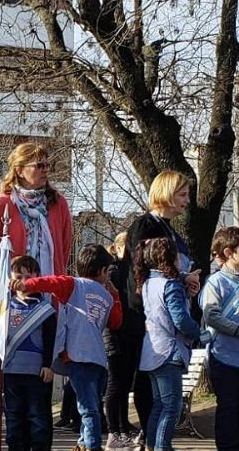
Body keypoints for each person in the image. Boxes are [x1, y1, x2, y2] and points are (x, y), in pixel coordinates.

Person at [10, 244, 122, 451]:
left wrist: (27, 285)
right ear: (103, 271)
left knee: (87, 408)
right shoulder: (106, 295)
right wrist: (115, 296)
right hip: (98, 357)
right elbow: (115, 322)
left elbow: (51, 282)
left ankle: (92, 445)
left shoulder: (74, 284)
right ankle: (83, 442)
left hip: (77, 355)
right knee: (90, 402)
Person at [121, 170, 200, 447]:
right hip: (153, 325)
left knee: (162, 402)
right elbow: (140, 274)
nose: (187, 201)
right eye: (182, 194)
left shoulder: (169, 228)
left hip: (169, 317)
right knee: (165, 402)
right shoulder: (144, 226)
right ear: (165, 192)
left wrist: (188, 282)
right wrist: (180, 280)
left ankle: (155, 442)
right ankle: (157, 443)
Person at [135, 238, 202, 451]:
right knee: (172, 406)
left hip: (151, 352)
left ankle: (153, 445)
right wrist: (201, 333)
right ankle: (162, 447)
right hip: (168, 352)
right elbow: (181, 320)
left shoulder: (147, 283)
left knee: (159, 405)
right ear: (170, 258)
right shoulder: (169, 285)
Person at [0, 143, 73, 278]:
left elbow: (64, 249)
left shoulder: (58, 203)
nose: (45, 170)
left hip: (50, 286)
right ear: (19, 170)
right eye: (39, 166)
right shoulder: (2, 204)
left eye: (47, 165)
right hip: (12, 288)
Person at [2, 255, 56, 451]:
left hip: (35, 373)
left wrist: (48, 365)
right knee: (14, 418)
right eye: (18, 275)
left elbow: (50, 339)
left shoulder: (45, 309)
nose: (23, 281)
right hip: (11, 372)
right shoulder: (4, 306)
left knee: (38, 418)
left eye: (28, 276)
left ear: (37, 277)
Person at [201, 227, 239, 451]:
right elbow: (211, 315)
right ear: (229, 252)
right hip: (224, 358)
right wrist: (236, 329)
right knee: (229, 408)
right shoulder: (216, 282)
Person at [103, 232, 138, 449]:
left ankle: (123, 423)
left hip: (127, 332)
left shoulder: (131, 272)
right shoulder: (114, 271)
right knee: (115, 383)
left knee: (124, 382)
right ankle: (113, 428)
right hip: (114, 333)